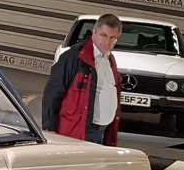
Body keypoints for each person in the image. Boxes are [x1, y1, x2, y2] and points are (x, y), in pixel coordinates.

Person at [42, 13, 123, 146]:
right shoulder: (73, 57)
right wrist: (49, 127)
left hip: (102, 131)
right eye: (103, 35)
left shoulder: (109, 59)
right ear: (94, 32)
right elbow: (53, 92)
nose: (107, 42)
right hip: (79, 131)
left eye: (112, 38)